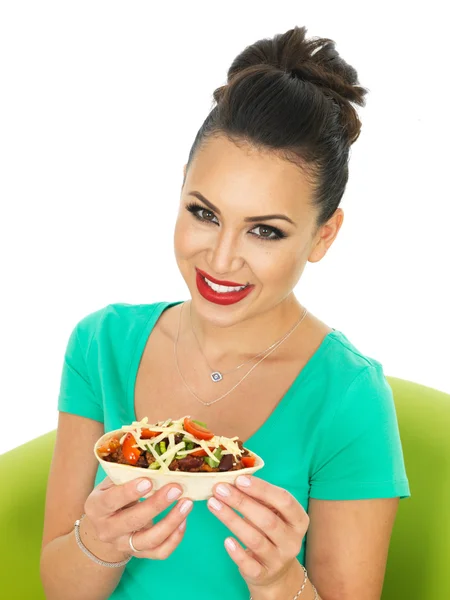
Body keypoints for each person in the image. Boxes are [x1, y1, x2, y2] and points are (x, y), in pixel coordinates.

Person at [40, 25, 410, 600]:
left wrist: (281, 580)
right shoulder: (101, 343)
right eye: (204, 212)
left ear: (323, 236)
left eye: (265, 230)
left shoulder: (348, 396)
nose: (221, 258)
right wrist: (100, 542)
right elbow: (60, 587)